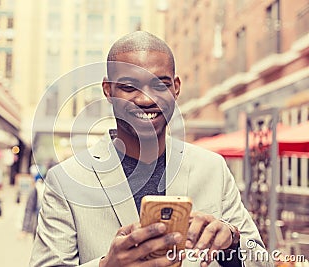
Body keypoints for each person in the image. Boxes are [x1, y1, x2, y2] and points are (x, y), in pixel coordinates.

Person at [30, 31, 272, 267]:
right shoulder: (66, 180)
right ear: (108, 90)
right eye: (128, 87)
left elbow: (262, 261)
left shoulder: (212, 168)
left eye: (160, 85)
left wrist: (232, 241)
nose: (146, 99)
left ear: (176, 88)